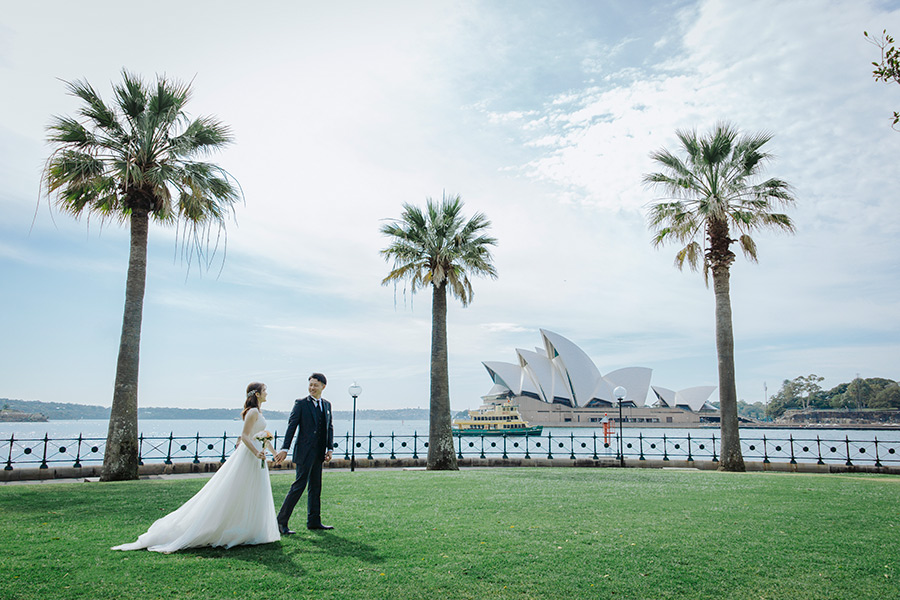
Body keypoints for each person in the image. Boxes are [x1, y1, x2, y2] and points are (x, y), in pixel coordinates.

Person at [112, 382, 280, 553]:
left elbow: (261, 438)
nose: (267, 393)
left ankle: (250, 528)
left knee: (253, 491)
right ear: (257, 394)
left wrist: (273, 453)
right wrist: (255, 452)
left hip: (257, 457)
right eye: (265, 390)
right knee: (237, 489)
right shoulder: (252, 412)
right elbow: (245, 436)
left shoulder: (259, 412)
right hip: (249, 457)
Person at [274, 372, 334, 534]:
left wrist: (329, 449)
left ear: (323, 386)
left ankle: (314, 521)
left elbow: (329, 427)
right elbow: (291, 426)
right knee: (299, 486)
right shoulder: (301, 404)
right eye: (310, 384)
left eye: (315, 385)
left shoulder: (327, 405)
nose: (312, 388)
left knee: (316, 487)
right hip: (304, 452)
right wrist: (285, 449)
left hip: (319, 454)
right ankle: (281, 522)